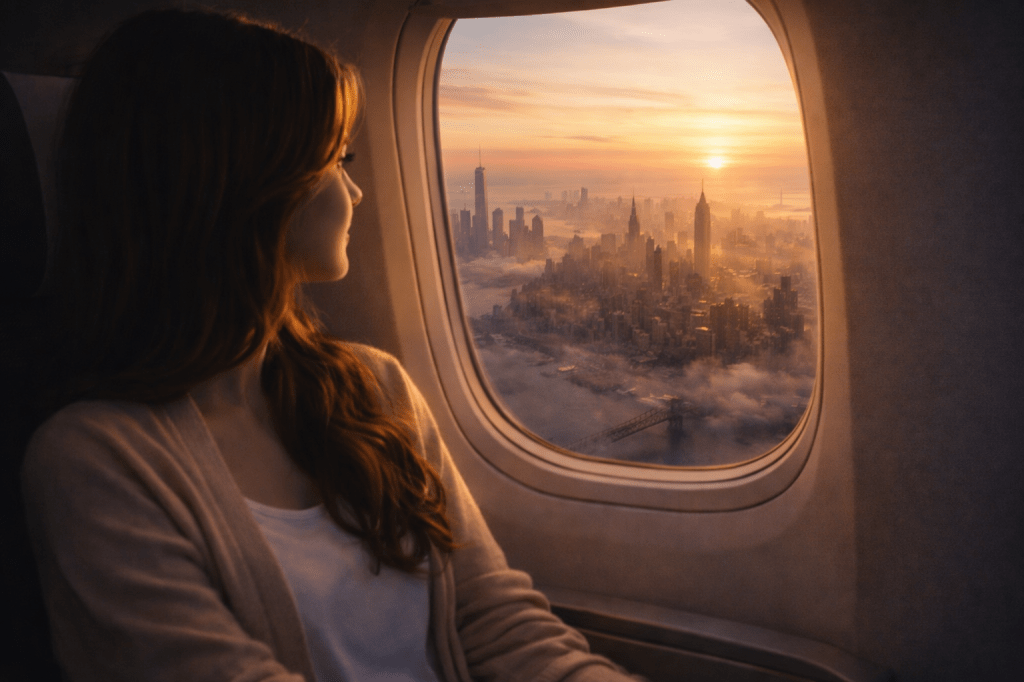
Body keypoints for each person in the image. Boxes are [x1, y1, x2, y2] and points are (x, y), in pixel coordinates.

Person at [20, 8, 643, 682]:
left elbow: (495, 622)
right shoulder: (94, 463)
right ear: (248, 184)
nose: (358, 188)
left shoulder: (376, 389)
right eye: (337, 158)